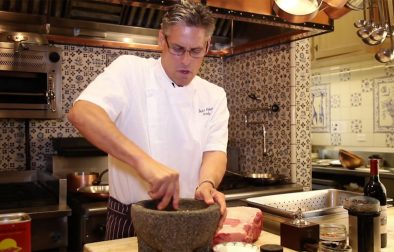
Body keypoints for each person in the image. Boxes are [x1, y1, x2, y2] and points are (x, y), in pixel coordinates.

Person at [67, 0, 229, 240]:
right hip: (130, 218)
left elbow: (215, 150)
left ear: (207, 46)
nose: (186, 61)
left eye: (195, 51)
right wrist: (144, 163)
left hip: (190, 218)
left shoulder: (214, 94)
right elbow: (82, 113)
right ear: (161, 40)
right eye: (177, 48)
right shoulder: (130, 70)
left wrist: (206, 184)